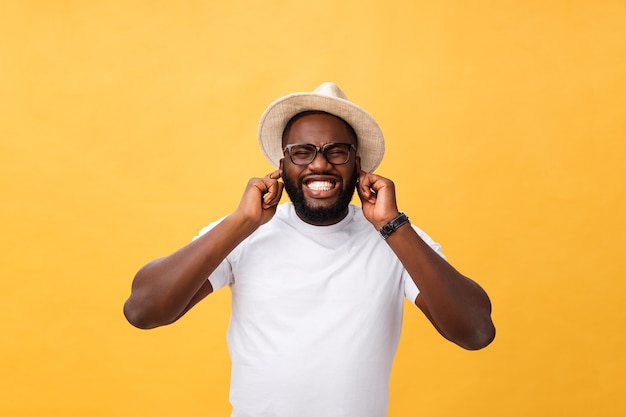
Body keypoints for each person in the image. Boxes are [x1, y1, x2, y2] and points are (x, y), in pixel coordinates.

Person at [124, 82, 495, 417]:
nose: (319, 163)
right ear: (281, 166)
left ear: (359, 165)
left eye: (336, 152)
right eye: (302, 152)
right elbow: (144, 310)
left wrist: (391, 226)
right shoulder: (243, 233)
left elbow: (476, 331)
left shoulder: (396, 239)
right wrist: (242, 223)